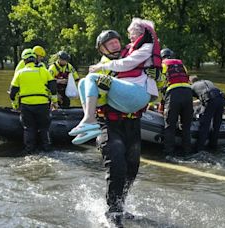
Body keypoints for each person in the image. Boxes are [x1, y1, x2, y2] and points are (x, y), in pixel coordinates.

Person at [71, 18, 161, 226]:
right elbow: (94, 92)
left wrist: (158, 75)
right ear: (101, 49)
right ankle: (113, 213)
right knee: (117, 167)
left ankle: (121, 205)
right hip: (109, 124)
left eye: (116, 41)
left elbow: (153, 82)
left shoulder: (133, 55)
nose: (114, 44)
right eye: (109, 43)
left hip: (133, 123)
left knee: (132, 168)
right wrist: (105, 85)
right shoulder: (102, 67)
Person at [9, 48, 58, 152]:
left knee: (29, 128)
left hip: (26, 106)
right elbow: (53, 87)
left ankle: (29, 150)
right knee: (44, 128)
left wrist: (15, 106)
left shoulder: (20, 73)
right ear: (34, 59)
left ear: (24, 60)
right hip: (42, 104)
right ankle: (47, 148)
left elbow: (13, 93)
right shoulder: (43, 70)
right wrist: (54, 101)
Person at [159, 48, 193, 159]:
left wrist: (162, 104)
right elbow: (186, 78)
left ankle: (169, 154)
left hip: (174, 94)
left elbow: (161, 84)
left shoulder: (162, 65)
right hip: (188, 93)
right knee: (186, 126)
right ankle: (187, 152)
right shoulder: (181, 64)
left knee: (170, 125)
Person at [190, 76, 225, 152]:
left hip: (210, 101)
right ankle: (213, 147)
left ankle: (199, 149)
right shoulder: (207, 81)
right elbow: (206, 96)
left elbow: (187, 100)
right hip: (221, 100)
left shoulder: (192, 87)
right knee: (216, 125)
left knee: (204, 125)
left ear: (190, 82)